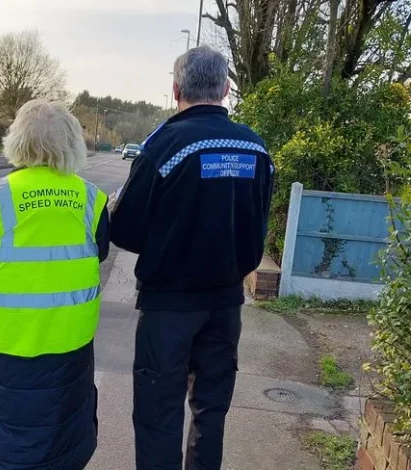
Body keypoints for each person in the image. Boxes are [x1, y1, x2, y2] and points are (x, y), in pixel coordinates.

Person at [110, 46, 274, 470]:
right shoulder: (257, 149)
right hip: (225, 305)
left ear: (176, 88)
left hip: (168, 308)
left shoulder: (164, 146)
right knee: (211, 411)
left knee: (158, 414)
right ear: (225, 89)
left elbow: (124, 229)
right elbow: (259, 223)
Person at [0, 99, 110, 470]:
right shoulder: (91, 200)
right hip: (70, 349)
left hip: (3, 351)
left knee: (0, 447)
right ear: (73, 144)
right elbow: (94, 258)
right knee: (60, 446)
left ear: (17, 139)